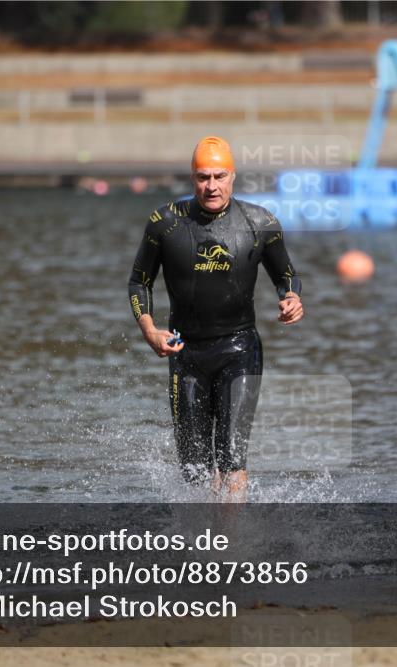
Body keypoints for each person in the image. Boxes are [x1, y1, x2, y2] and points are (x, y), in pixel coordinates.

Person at [128, 136, 303, 501]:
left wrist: (291, 297)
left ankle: (230, 547)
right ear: (192, 178)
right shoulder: (165, 223)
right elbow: (139, 281)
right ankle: (202, 542)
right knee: (194, 469)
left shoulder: (260, 222)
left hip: (240, 350)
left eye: (219, 176)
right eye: (203, 177)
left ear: (233, 176)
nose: (212, 186)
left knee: (232, 458)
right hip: (185, 353)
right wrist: (149, 330)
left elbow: (286, 275)